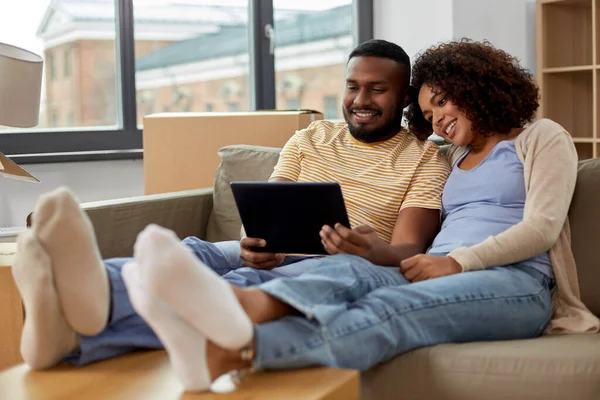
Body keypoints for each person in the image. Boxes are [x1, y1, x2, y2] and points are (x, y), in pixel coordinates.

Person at [114, 40, 600, 392]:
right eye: (428, 114)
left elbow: (541, 228)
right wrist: (391, 252)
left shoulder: (542, 138)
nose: (437, 121)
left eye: (443, 103)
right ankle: (234, 315)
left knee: (386, 313)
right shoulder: (449, 152)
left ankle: (235, 341)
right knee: (346, 269)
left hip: (515, 282)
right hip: (435, 270)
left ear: (475, 86)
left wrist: (456, 262)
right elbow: (400, 151)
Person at [12, 39, 450, 369]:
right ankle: (88, 297)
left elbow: (409, 249)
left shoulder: (425, 158)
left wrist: (370, 249)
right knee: (193, 252)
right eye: (353, 87)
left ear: (404, 97)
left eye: (377, 90)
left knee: (239, 283)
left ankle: (85, 321)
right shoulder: (310, 138)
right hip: (277, 254)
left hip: (341, 265)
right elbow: (265, 211)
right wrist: (252, 241)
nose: (361, 101)